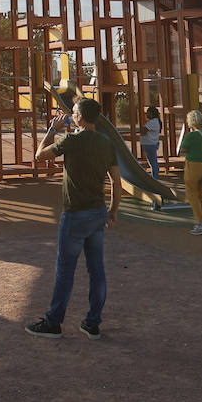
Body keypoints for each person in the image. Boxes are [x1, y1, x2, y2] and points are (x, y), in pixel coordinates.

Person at [25, 97, 121, 340]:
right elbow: (116, 181)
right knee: (96, 270)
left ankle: (54, 322)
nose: (71, 114)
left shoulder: (71, 140)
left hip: (75, 213)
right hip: (98, 212)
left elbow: (39, 156)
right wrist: (113, 210)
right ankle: (92, 323)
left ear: (80, 117)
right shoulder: (106, 142)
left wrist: (52, 130)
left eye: (74, 111)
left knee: (65, 270)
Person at [182, 110, 202, 235]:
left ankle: (201, 223)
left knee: (192, 195)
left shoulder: (191, 135)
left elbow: (183, 150)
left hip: (193, 166)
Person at [141, 105, 162, 179]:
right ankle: (154, 177)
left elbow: (143, 131)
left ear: (152, 113)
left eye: (148, 113)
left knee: (153, 163)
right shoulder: (154, 122)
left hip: (150, 144)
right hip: (151, 144)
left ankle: (155, 178)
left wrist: (142, 129)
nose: (147, 115)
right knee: (153, 162)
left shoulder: (153, 122)